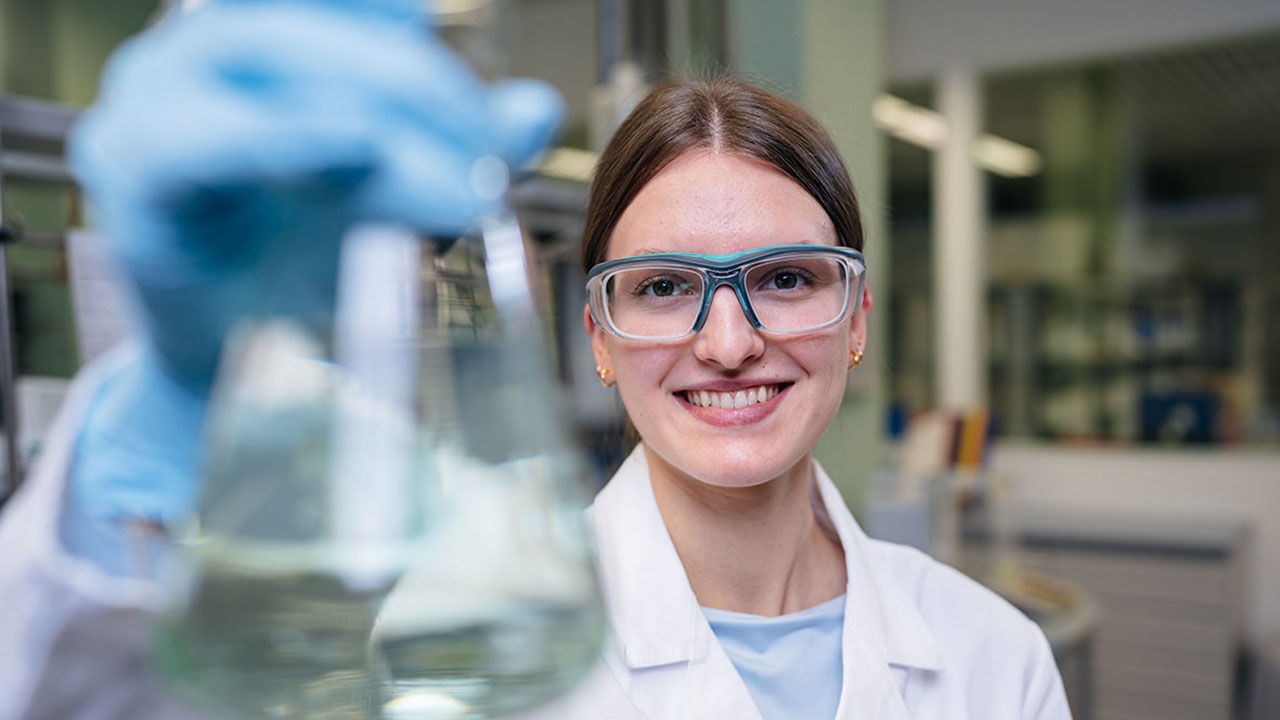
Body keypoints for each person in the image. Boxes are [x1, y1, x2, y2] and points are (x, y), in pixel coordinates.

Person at [529, 79, 1074, 719]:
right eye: (664, 286)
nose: (728, 346)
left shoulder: (996, 659)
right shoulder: (483, 653)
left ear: (857, 321)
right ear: (600, 338)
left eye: (786, 278)